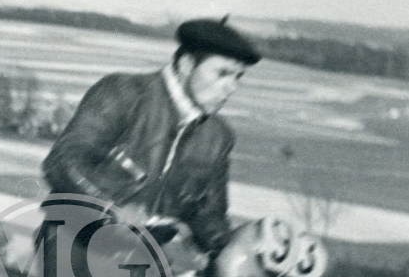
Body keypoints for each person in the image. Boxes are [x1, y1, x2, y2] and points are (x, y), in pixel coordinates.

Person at [44, 18, 260, 256]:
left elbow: (209, 216)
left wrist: (237, 251)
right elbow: (63, 162)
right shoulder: (123, 93)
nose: (231, 88)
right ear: (187, 65)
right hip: (73, 245)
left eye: (238, 77)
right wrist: (111, 207)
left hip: (143, 260)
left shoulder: (218, 137)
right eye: (223, 73)